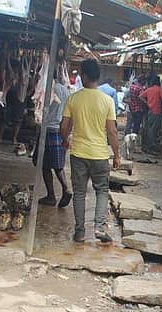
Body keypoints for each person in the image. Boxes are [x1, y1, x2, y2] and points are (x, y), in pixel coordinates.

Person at [60, 59, 121, 243]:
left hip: (78, 153)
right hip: (100, 155)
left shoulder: (74, 99)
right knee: (101, 190)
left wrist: (65, 140)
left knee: (79, 193)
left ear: (84, 76)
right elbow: (112, 131)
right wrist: (117, 155)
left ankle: (79, 232)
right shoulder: (108, 101)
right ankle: (100, 228)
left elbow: (64, 127)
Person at [38, 76, 72, 208]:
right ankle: (59, 191)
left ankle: (56, 193)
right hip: (60, 129)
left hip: (48, 129)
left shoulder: (49, 89)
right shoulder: (66, 91)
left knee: (46, 165)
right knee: (56, 165)